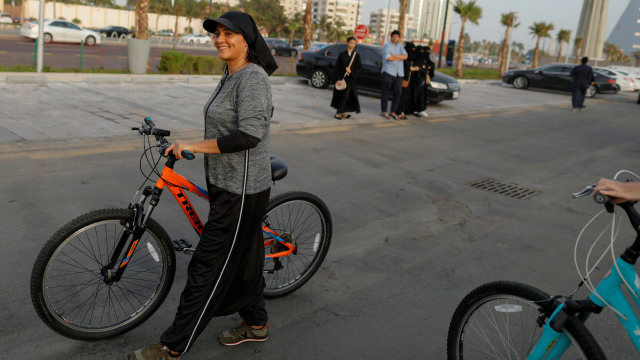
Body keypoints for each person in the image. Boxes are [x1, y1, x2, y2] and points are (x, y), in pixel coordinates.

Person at [128, 11, 278, 360]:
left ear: (247, 39)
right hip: (226, 183)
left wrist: (192, 146)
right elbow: (223, 127)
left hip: (243, 191)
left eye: (229, 34)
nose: (220, 39)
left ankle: (172, 346)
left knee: (205, 268)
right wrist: (187, 144)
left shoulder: (252, 78)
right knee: (244, 262)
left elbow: (250, 135)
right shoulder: (230, 74)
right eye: (217, 34)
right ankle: (256, 324)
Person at [330, 36, 362, 119]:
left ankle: (340, 112)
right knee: (342, 95)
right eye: (351, 43)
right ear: (347, 43)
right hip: (342, 79)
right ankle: (339, 112)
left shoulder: (356, 56)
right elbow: (337, 67)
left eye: (354, 43)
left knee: (347, 96)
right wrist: (338, 79)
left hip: (351, 79)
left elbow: (359, 68)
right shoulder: (342, 55)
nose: (352, 45)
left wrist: (351, 71)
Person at [380, 29, 408, 120]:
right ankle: (384, 111)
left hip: (399, 73)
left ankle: (393, 111)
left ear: (399, 38)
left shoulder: (400, 46)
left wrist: (395, 56)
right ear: (391, 37)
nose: (395, 38)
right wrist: (400, 57)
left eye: (397, 37)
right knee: (386, 92)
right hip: (388, 72)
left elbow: (406, 56)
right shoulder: (387, 46)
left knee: (398, 93)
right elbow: (388, 58)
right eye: (393, 36)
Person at [397, 42, 421, 120]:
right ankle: (399, 112)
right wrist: (414, 68)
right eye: (412, 50)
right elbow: (406, 68)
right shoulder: (404, 57)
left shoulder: (412, 58)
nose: (413, 51)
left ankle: (404, 111)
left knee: (406, 97)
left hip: (410, 81)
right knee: (401, 96)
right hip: (403, 80)